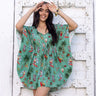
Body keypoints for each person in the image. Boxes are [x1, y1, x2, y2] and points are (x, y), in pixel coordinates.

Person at [16, 1, 78, 96]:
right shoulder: (31, 31)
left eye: (47, 11)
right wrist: (33, 9)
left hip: (48, 71)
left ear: (49, 14)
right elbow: (18, 26)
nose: (44, 13)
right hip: (34, 70)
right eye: (41, 10)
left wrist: (58, 11)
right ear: (37, 12)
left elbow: (74, 26)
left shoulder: (55, 29)